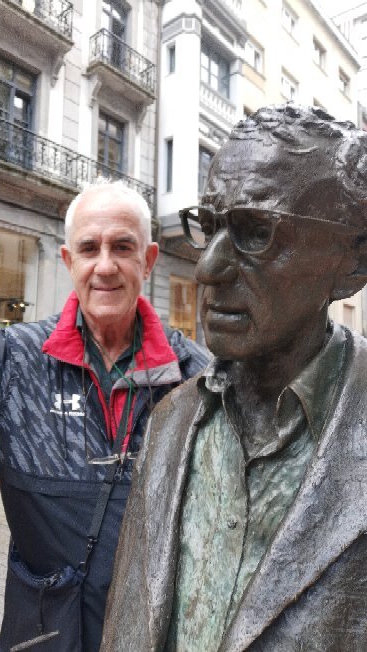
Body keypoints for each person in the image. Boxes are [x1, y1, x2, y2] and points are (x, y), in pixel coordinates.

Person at [0, 180, 208, 651]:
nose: (106, 266)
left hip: (156, 637)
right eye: (89, 248)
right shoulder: (15, 359)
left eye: (123, 247)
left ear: (149, 259)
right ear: (68, 260)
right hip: (41, 636)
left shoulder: (197, 378)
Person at [101, 104, 367, 651]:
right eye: (211, 224)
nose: (208, 269)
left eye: (255, 231)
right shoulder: (172, 420)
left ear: (353, 262)